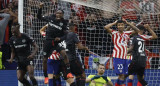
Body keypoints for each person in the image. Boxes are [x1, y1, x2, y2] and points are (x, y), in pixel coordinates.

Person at [37, 3, 75, 85]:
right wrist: (40, 8)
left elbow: (66, 35)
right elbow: (39, 17)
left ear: (63, 15)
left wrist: (60, 38)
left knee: (64, 54)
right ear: (55, 13)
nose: (58, 14)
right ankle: (45, 76)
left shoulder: (64, 23)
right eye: (57, 13)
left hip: (57, 42)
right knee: (44, 59)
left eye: (60, 13)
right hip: (48, 41)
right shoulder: (51, 18)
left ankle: (68, 72)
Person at [104, 19, 140, 86]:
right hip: (117, 57)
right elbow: (106, 27)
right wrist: (114, 23)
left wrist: (128, 23)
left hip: (125, 58)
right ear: (117, 26)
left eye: (122, 25)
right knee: (122, 75)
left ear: (124, 26)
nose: (120, 26)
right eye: (119, 25)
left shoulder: (127, 33)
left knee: (124, 75)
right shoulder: (114, 33)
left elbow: (137, 31)